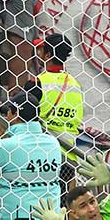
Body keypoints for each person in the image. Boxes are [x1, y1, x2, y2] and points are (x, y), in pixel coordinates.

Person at [0, 93, 62, 220]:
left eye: (9, 111)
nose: (7, 115)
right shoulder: (54, 143)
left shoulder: (7, 145)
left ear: (15, 113)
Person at [24, 33, 83, 178]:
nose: (38, 53)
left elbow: (24, 116)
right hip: (69, 155)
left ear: (47, 55)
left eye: (41, 50)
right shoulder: (75, 84)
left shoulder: (36, 83)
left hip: (42, 153)